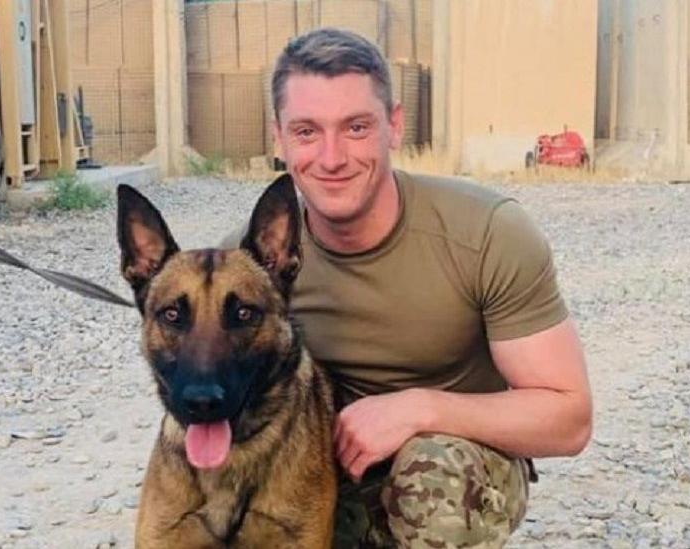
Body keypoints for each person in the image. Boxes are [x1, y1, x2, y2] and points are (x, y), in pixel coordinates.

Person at [225, 27, 592, 549]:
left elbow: (569, 417)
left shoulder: (485, 232)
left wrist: (420, 407)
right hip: (324, 469)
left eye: (355, 127)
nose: (331, 158)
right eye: (307, 132)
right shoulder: (251, 269)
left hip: (452, 461)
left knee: (431, 474)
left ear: (394, 126)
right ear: (278, 138)